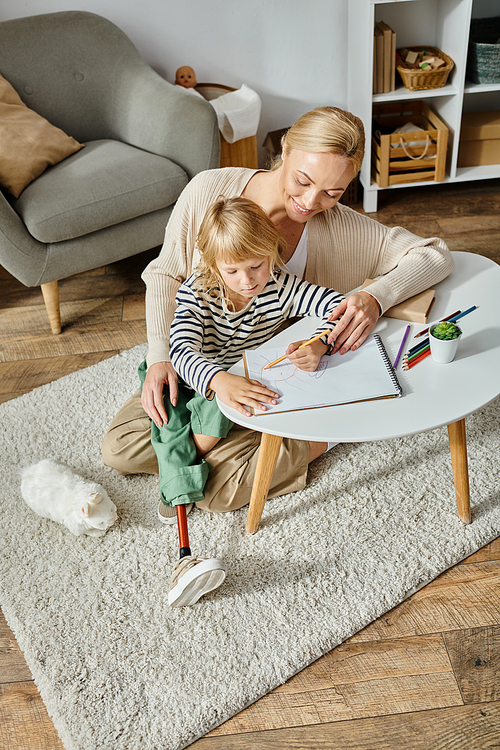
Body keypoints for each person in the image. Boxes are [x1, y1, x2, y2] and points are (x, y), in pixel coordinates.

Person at [102, 105, 454, 514]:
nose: (310, 201)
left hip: (275, 371)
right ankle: (226, 441)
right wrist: (161, 354)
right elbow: (166, 274)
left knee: (218, 489)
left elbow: (436, 255)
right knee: (120, 449)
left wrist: (377, 295)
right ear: (285, 148)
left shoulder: (342, 227)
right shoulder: (209, 191)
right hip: (206, 357)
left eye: (333, 192)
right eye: (303, 181)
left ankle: (325, 434)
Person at [153, 195, 344, 605]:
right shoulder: (196, 293)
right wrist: (218, 380)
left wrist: (320, 342)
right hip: (199, 381)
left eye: (257, 265)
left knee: (197, 446)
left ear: (272, 250)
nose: (247, 280)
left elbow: (337, 307)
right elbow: (181, 350)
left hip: (244, 383)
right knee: (166, 427)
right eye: (232, 270)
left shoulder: (282, 286)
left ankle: (179, 479)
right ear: (211, 264)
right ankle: (181, 478)